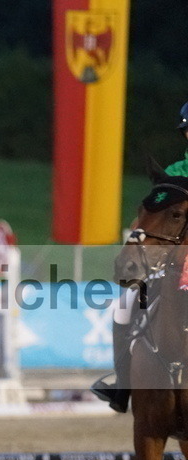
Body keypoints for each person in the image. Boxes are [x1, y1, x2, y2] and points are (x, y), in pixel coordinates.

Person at [91, 100, 188, 412]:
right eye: (187, 131)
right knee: (123, 307)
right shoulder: (174, 174)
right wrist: (138, 239)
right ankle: (121, 386)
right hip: (176, 265)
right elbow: (151, 218)